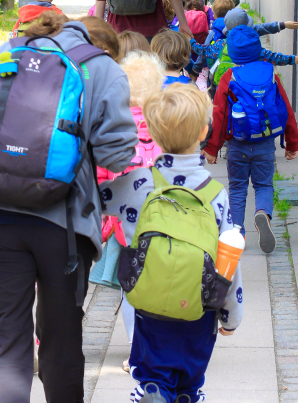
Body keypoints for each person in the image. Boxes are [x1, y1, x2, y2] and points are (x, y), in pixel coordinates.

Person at [0, 11, 138, 403]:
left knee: (6, 344)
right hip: (64, 228)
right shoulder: (102, 70)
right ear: (100, 46)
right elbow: (117, 155)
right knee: (61, 336)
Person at [99, 83, 242, 403]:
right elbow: (230, 253)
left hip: (150, 304)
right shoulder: (216, 195)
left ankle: (152, 391)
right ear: (205, 130)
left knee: (153, 374)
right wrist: (231, 315)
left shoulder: (138, 183)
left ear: (152, 131)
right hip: (200, 307)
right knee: (190, 385)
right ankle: (184, 396)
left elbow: (93, 200)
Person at [203, 25, 298, 255]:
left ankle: (237, 234)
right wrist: (292, 143)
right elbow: (285, 109)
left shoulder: (229, 77)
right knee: (264, 185)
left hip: (237, 145)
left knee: (237, 188)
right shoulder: (270, 74)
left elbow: (219, 114)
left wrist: (211, 148)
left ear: (233, 53)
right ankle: (263, 214)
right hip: (265, 145)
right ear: (258, 49)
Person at [95, 51, 165, 370]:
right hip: (164, 222)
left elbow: (101, 173)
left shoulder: (114, 127)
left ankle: (138, 350)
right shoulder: (166, 123)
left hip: (127, 224)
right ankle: (163, 344)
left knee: (130, 290)